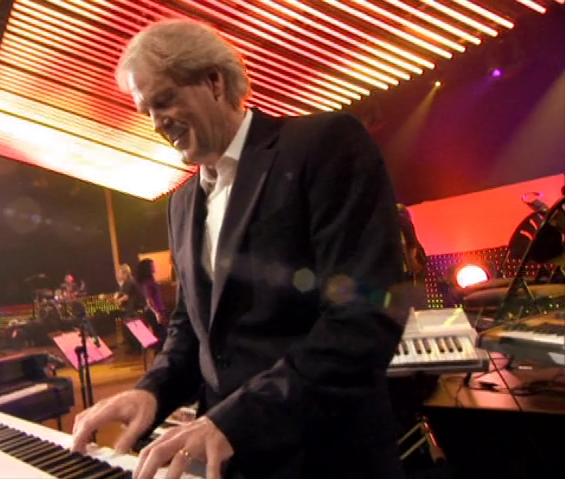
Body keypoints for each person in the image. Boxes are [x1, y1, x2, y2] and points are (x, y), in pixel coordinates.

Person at [71, 19, 410, 479]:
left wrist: (237, 419)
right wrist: (152, 390)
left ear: (214, 81)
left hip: (326, 458)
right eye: (146, 110)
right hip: (230, 462)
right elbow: (191, 326)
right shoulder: (181, 203)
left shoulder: (324, 143)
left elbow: (365, 316)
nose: (155, 122)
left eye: (164, 100)